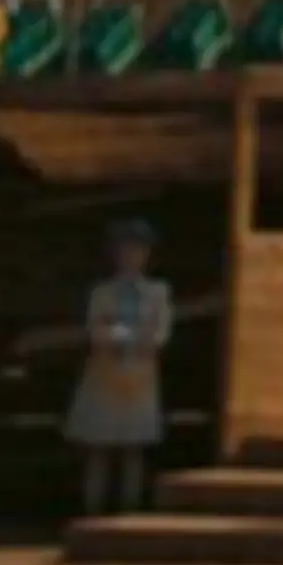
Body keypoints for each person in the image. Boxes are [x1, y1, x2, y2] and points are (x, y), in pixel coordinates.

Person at [67, 219, 173, 517]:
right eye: (125, 250)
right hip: (105, 374)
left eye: (137, 251)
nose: (131, 257)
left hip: (139, 376)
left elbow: (161, 332)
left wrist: (142, 340)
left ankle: (129, 512)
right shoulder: (102, 292)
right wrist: (121, 335)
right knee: (99, 448)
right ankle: (92, 510)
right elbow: (95, 329)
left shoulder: (157, 292)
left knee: (133, 449)